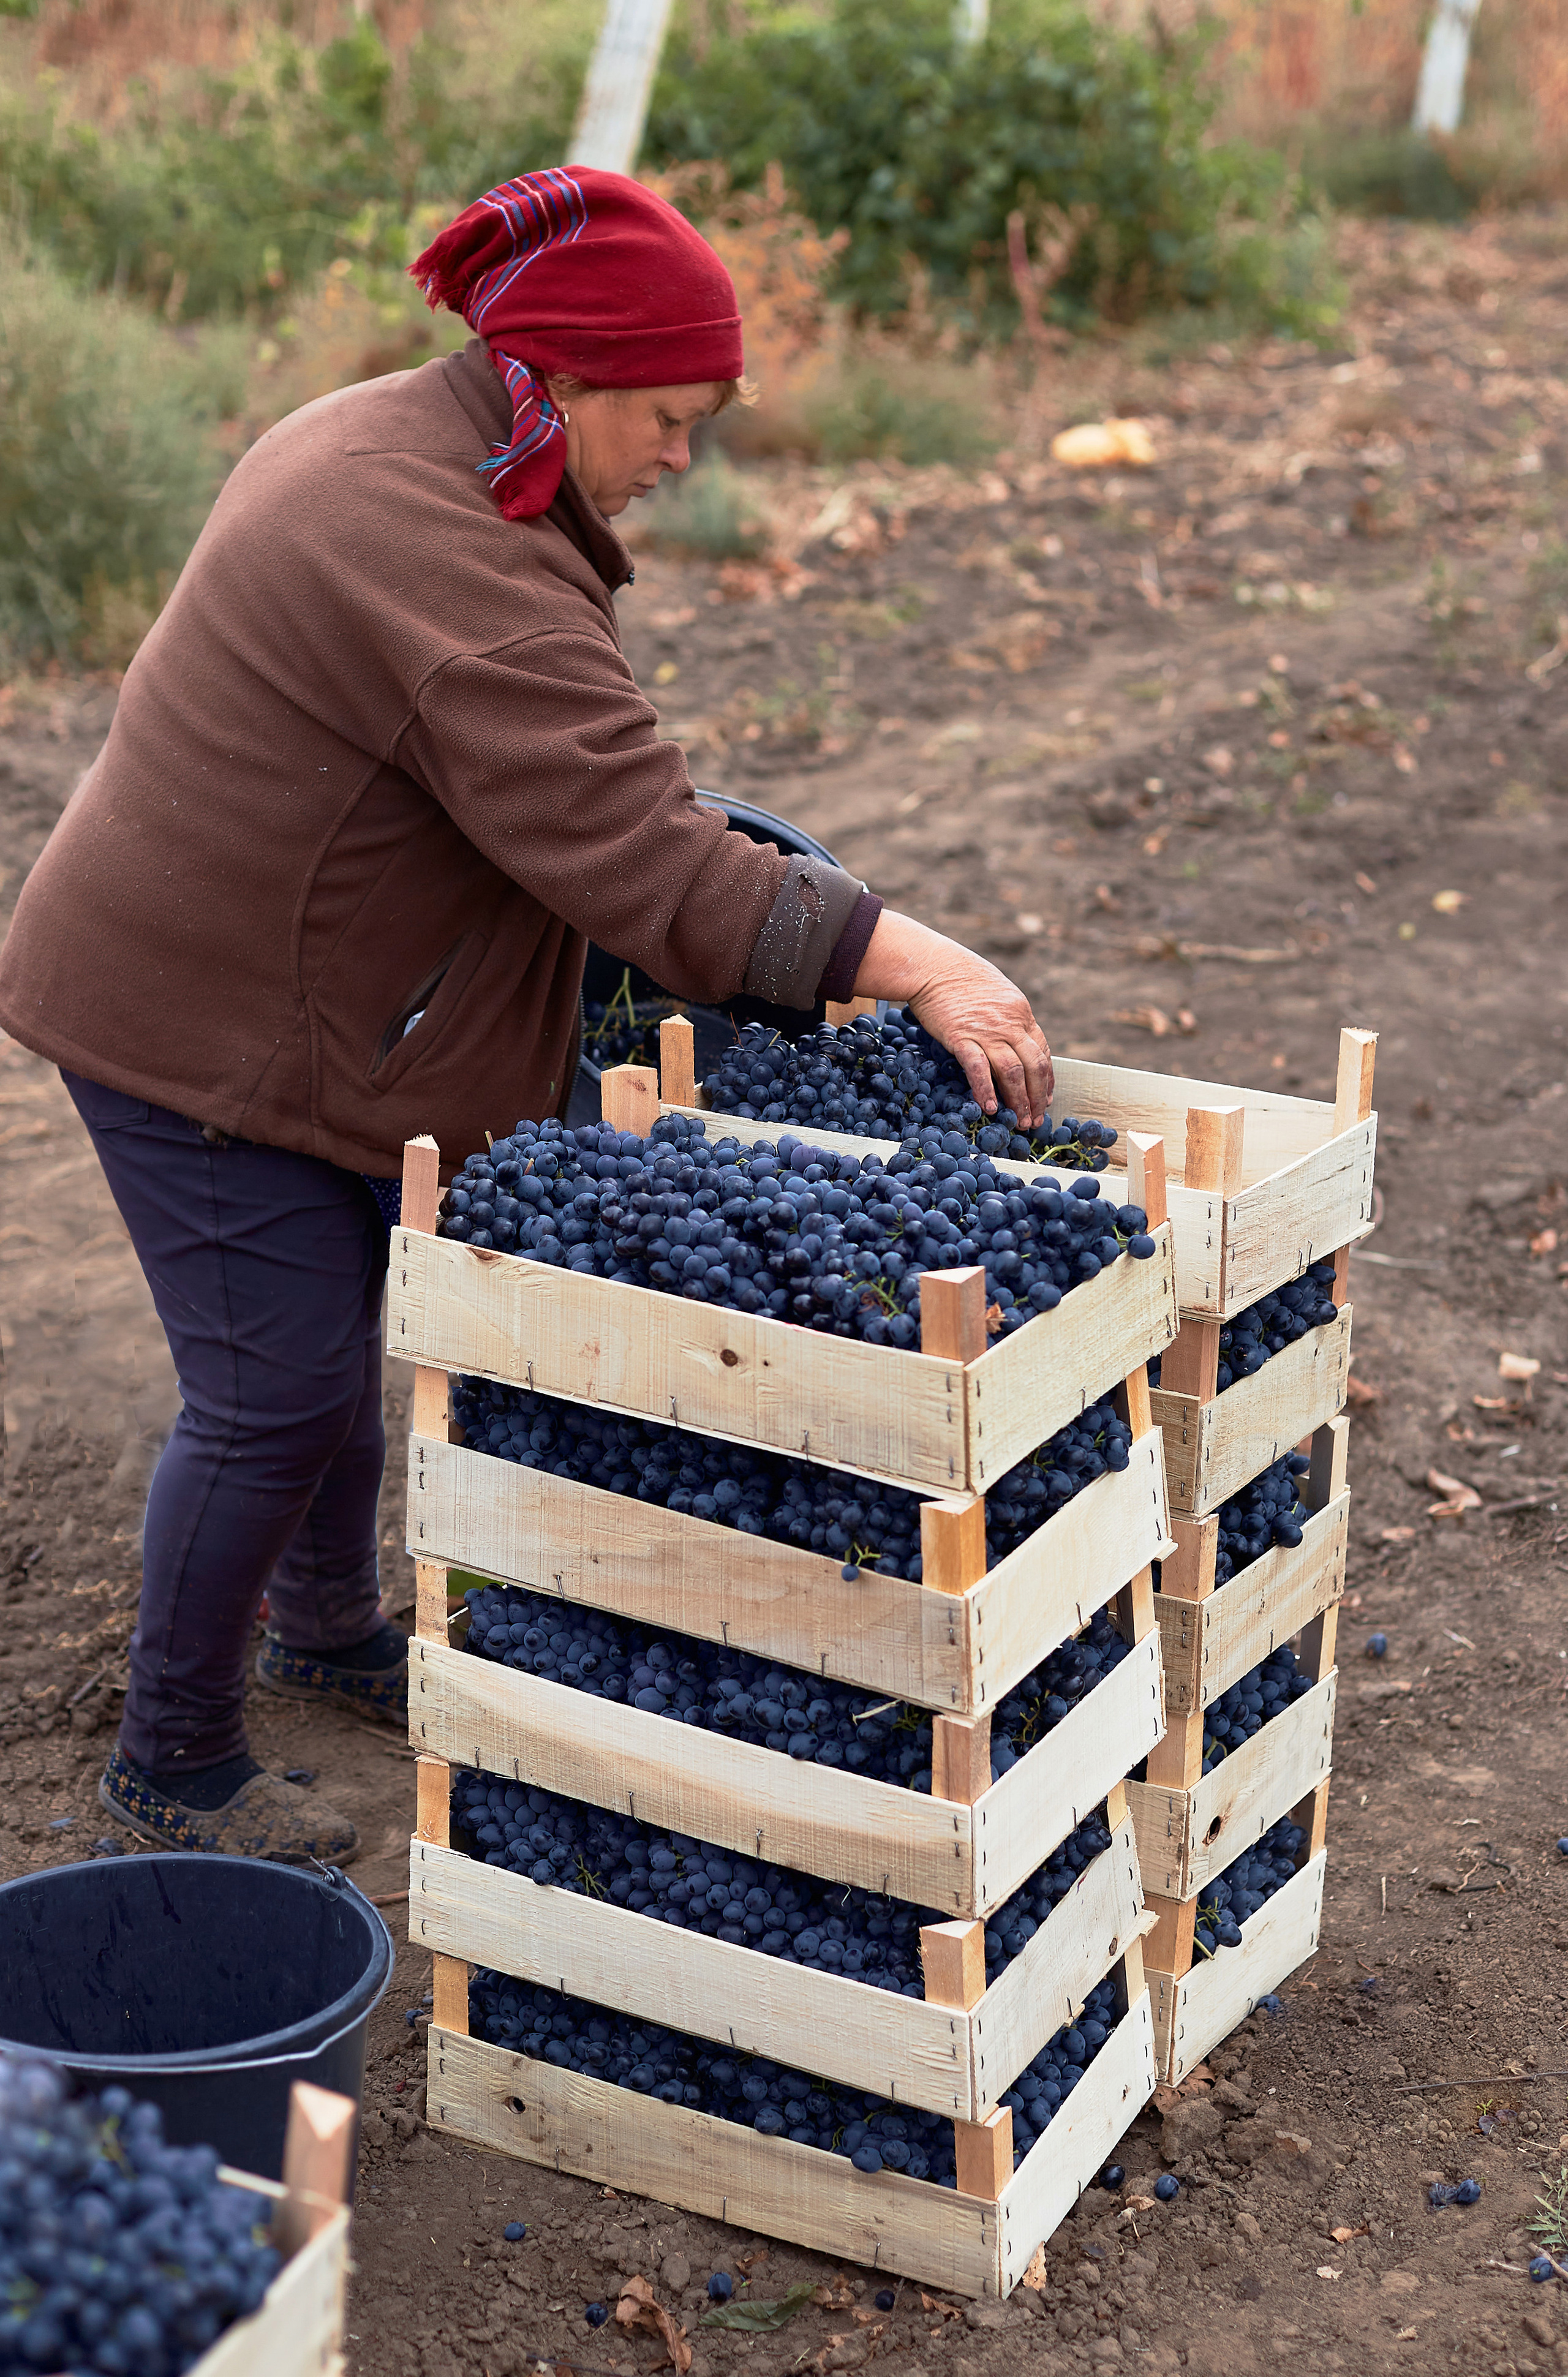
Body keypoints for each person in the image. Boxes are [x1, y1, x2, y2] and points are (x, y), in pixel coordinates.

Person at [0, 167, 1052, 1864]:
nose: (686, 456)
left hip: (286, 979)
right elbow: (636, 852)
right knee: (274, 1388)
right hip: (191, 1017)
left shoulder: (418, 443)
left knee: (342, 1350)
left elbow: (582, 794)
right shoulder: (438, 543)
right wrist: (909, 956)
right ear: (562, 376)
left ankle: (331, 1635)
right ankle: (174, 1755)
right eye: (676, 416)